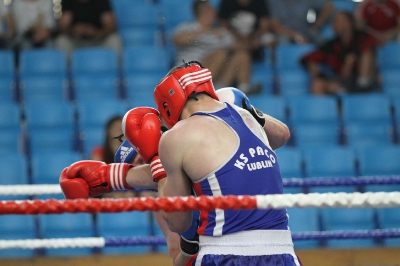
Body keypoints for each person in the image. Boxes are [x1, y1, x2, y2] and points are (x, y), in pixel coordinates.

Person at [60, 78, 293, 265]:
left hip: (247, 246)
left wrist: (108, 177)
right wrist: (190, 242)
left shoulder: (192, 141)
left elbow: (282, 135)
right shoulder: (169, 175)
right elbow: (178, 255)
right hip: (244, 250)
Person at [173, 0, 256, 94]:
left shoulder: (220, 32)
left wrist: (256, 41)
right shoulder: (186, 27)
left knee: (242, 55)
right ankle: (199, 89)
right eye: (212, 9)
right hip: (189, 75)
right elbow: (178, 40)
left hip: (215, 77)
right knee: (221, 54)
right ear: (204, 11)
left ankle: (244, 89)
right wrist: (205, 30)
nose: (215, 12)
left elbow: (239, 46)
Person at [300, 11, 379, 95]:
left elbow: (370, 42)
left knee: (367, 54)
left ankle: (362, 87)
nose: (334, 25)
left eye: (337, 21)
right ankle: (334, 105)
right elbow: (309, 56)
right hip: (343, 82)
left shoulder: (362, 38)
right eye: (334, 22)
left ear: (348, 23)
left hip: (366, 82)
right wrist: (311, 63)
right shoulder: (332, 45)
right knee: (317, 85)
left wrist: (353, 56)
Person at [55, 0, 121, 59]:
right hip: (76, 40)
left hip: (98, 40)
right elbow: (62, 28)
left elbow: (111, 27)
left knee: (114, 40)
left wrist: (96, 32)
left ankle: (115, 71)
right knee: (62, 40)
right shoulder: (68, 2)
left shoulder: (102, 1)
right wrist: (75, 30)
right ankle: (66, 71)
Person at [266, 0, 334, 45]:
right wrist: (297, 37)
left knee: (321, 41)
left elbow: (329, 6)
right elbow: (274, 25)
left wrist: (316, 25)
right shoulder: (274, 1)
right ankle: (283, 65)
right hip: (284, 33)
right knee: (282, 40)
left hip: (305, 31)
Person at [10, 0, 55, 64]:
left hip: (44, 36)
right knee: (25, 45)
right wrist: (37, 31)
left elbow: (50, 25)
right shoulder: (17, 2)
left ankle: (48, 70)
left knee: (50, 45)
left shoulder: (47, 1)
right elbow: (22, 28)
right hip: (24, 37)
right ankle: (25, 71)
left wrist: (41, 32)